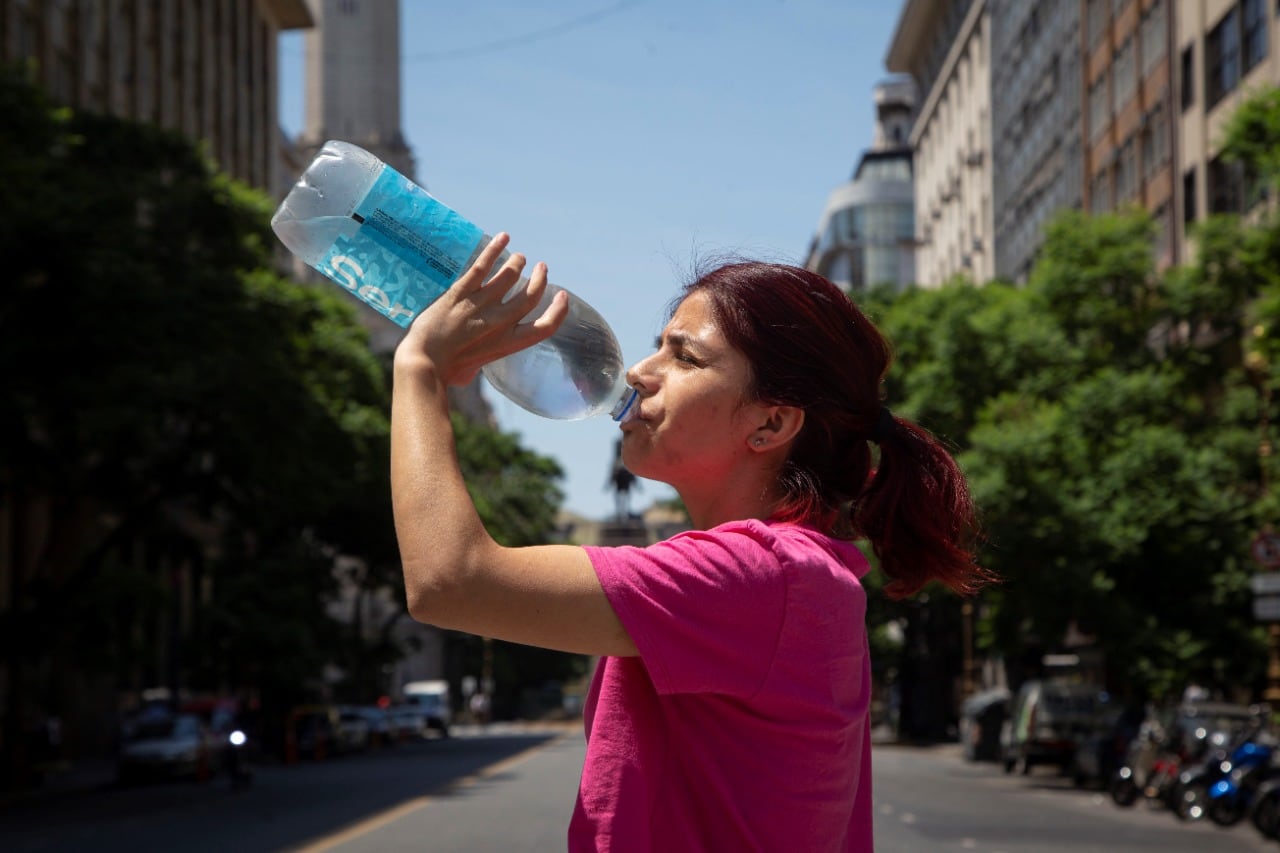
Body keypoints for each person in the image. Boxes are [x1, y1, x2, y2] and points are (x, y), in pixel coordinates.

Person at [391, 233, 992, 851]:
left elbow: (451, 581)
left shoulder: (757, 575)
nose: (638, 372)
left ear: (771, 422)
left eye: (685, 358)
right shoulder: (792, 571)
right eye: (659, 346)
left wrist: (420, 371)